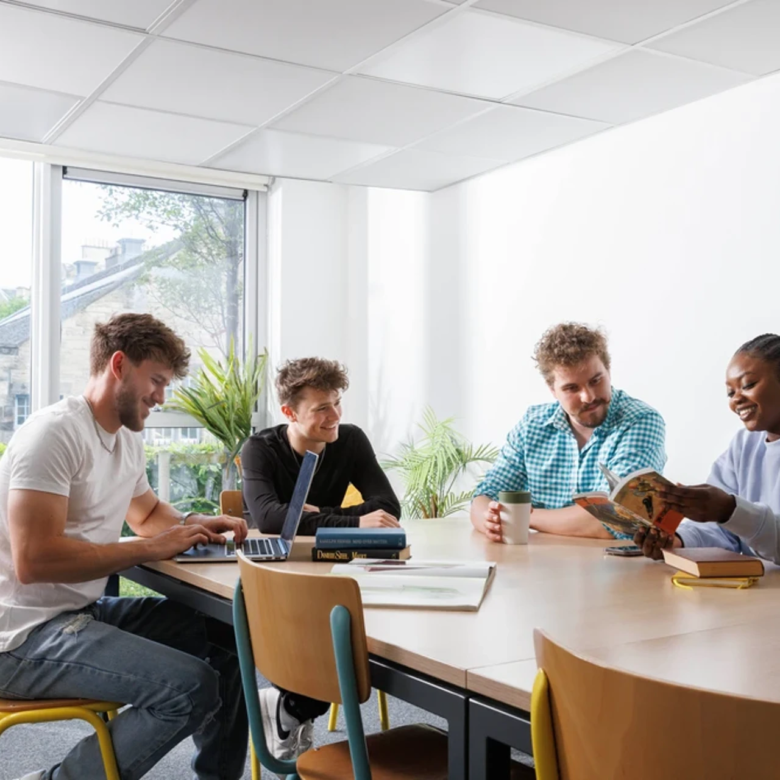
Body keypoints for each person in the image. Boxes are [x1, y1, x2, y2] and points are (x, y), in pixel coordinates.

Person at [0, 314, 249, 780]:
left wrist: (194, 524)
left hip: (76, 616)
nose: (161, 396)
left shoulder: (125, 438)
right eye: (155, 381)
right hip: (18, 638)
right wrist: (145, 549)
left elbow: (148, 514)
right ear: (119, 364)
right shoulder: (52, 434)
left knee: (227, 634)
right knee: (190, 688)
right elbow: (35, 561)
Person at [241, 356, 401, 761]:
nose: (335, 416)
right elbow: (270, 517)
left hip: (332, 561)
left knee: (363, 619)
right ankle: (292, 705)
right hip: (276, 568)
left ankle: (289, 706)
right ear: (289, 413)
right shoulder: (260, 449)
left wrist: (320, 518)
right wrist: (354, 520)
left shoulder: (350, 440)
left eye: (336, 402)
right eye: (321, 408)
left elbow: (387, 504)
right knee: (331, 626)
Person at [471, 323, 667, 542]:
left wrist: (522, 517)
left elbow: (620, 519)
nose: (588, 396)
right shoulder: (532, 426)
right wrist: (489, 519)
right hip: (536, 566)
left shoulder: (641, 421)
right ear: (552, 389)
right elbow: (484, 496)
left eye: (596, 380)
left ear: (609, 371)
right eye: (572, 388)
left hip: (612, 569)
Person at [635, 334, 780, 564]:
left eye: (748, 385)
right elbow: (723, 531)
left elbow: (733, 516)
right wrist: (679, 540)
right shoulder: (743, 446)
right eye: (731, 393)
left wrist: (730, 510)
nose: (737, 399)